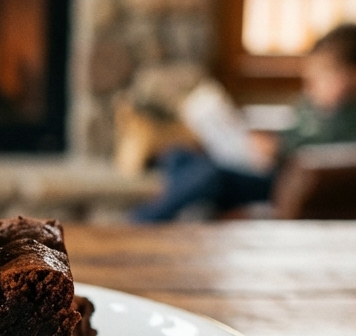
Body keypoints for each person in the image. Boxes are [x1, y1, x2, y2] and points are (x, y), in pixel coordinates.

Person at [134, 24, 356, 222]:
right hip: (262, 164)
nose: (311, 84)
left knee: (208, 177)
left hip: (279, 182)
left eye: (324, 75)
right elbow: (293, 132)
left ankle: (140, 222)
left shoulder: (348, 116)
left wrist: (279, 150)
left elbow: (329, 152)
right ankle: (172, 215)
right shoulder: (310, 105)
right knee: (178, 156)